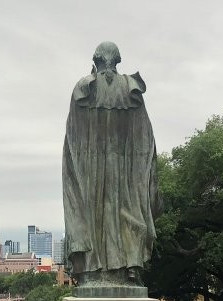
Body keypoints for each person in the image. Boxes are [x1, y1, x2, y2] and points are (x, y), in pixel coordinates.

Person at [61, 41, 161, 288]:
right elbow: (145, 137)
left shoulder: (87, 87)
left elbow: (72, 138)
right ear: (117, 60)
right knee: (113, 213)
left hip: (105, 166)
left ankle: (109, 270)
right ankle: (112, 270)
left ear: (96, 60)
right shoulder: (128, 87)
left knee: (99, 214)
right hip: (115, 166)